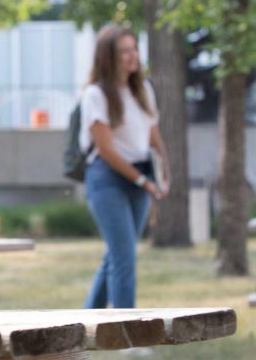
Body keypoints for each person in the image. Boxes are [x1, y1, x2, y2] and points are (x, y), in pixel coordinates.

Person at [80, 25, 170, 309]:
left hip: (140, 174)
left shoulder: (143, 89)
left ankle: (84, 321)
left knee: (117, 255)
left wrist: (164, 173)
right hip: (107, 178)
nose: (133, 56)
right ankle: (127, 336)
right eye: (124, 51)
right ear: (108, 57)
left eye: (134, 49)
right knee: (124, 257)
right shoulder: (95, 94)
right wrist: (144, 182)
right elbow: (106, 150)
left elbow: (153, 135)